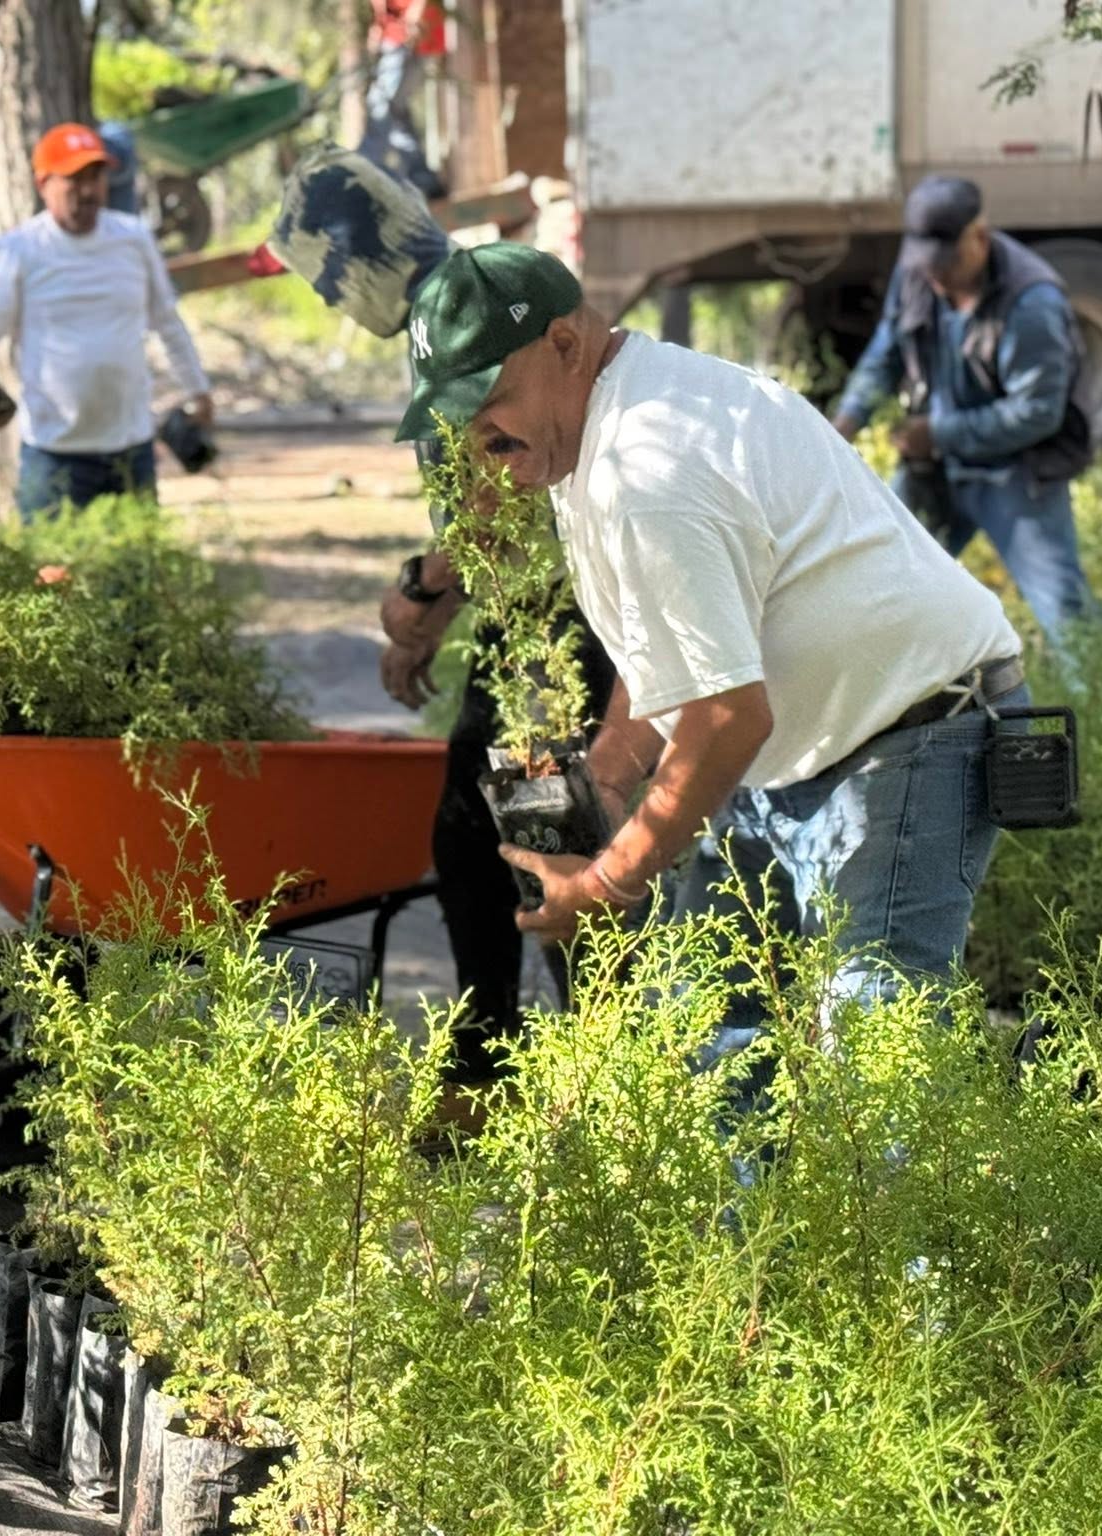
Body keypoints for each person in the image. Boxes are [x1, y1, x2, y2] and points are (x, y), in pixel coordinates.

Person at [394, 241, 1028, 1060]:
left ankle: (1090, 1121)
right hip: (802, 748)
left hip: (915, 731)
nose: (479, 434)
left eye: (492, 400)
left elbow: (727, 715)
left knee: (877, 1050)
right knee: (714, 1034)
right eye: (457, 412)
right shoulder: (597, 427)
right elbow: (673, 641)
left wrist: (607, 881)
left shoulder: (645, 468)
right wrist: (613, 770)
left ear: (563, 345)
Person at [267, 148, 616, 1087]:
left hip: (556, 632)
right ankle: (496, 1064)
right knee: (479, 838)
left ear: (357, 253)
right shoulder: (461, 294)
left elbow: (502, 498)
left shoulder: (450, 318)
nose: (337, 302)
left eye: (330, 279)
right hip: (537, 622)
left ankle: (572, 1076)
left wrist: (419, 596)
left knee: (537, 842)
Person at [831, 175, 1095, 653]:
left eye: (944, 266)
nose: (934, 280)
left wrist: (940, 433)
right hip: (936, 471)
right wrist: (844, 423)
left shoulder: (1032, 303)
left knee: (1068, 620)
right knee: (874, 587)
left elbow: (1037, 413)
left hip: (1016, 476)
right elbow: (886, 350)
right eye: (924, 267)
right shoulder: (917, 271)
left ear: (979, 238)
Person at [0, 122, 213, 520]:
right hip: (54, 455)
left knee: (135, 577)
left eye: (96, 177)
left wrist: (199, 390)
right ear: (44, 184)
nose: (89, 191)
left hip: (131, 449)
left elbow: (167, 321)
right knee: (51, 576)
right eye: (74, 180)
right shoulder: (18, 251)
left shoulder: (133, 239)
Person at [358, 0, 447, 200]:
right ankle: (426, 181)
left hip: (414, 39)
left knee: (381, 107)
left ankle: (361, 180)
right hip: (394, 40)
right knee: (396, 115)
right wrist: (378, 27)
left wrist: (417, 11)